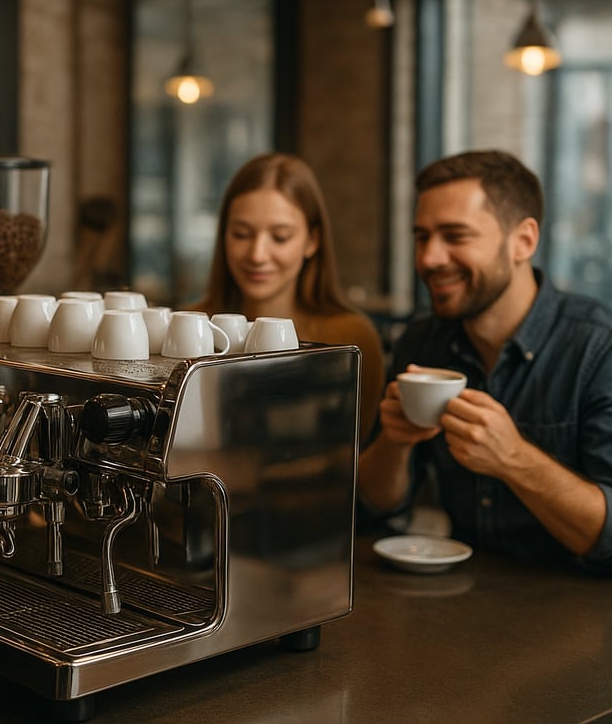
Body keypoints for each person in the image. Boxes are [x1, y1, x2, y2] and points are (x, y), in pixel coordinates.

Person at [357, 149, 612, 572]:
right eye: (422, 237)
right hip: (466, 603)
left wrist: (513, 458)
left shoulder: (597, 348)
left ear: (524, 241)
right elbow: (375, 504)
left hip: (586, 610)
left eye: (455, 236)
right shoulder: (423, 342)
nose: (429, 259)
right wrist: (395, 442)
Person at [195, 152, 386, 427]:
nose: (257, 254)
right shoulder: (194, 324)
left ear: (312, 240)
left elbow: (352, 457)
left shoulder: (350, 338)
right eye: (241, 234)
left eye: (280, 237)